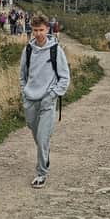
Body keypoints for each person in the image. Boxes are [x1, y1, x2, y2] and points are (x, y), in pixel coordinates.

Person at [20, 14, 71, 189]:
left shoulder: (55, 50)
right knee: (37, 135)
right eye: (35, 30)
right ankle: (45, 153)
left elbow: (64, 77)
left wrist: (52, 95)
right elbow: (23, 76)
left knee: (42, 138)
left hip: (48, 101)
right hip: (30, 100)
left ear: (47, 29)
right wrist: (24, 94)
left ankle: (42, 173)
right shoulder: (27, 50)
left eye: (41, 30)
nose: (38, 34)